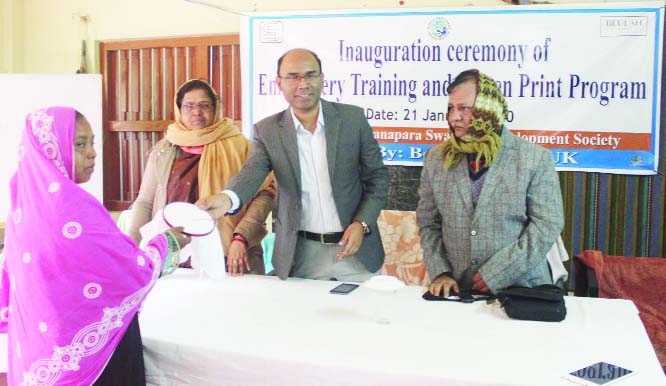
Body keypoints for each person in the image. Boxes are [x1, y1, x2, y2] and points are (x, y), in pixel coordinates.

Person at [0, 107, 190, 386]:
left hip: (42, 355)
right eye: (79, 144)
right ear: (50, 149)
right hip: (95, 357)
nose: (92, 153)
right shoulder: (71, 207)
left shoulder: (25, 205)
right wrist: (167, 242)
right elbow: (130, 272)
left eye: (91, 142)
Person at [196, 48, 389, 282]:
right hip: (303, 255)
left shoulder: (352, 120)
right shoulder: (268, 130)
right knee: (304, 318)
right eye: (293, 77)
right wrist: (227, 199)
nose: (303, 84)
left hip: (355, 251)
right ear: (279, 82)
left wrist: (363, 223)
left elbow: (377, 179)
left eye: (310, 75)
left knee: (363, 317)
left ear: (322, 78)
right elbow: (252, 173)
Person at [417, 69, 564, 297]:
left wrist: (500, 272)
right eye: (450, 108)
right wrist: (440, 272)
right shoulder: (437, 159)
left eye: (464, 108)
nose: (454, 117)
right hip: (458, 289)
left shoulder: (533, 158)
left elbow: (547, 225)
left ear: (488, 109)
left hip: (521, 289)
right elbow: (428, 223)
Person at [127, 79, 275, 275]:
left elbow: (266, 193)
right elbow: (145, 202)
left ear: (216, 108)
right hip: (175, 255)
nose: (197, 112)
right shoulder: (164, 149)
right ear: (179, 109)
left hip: (231, 255)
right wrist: (129, 246)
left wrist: (241, 238)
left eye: (204, 105)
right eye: (189, 106)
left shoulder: (241, 147)